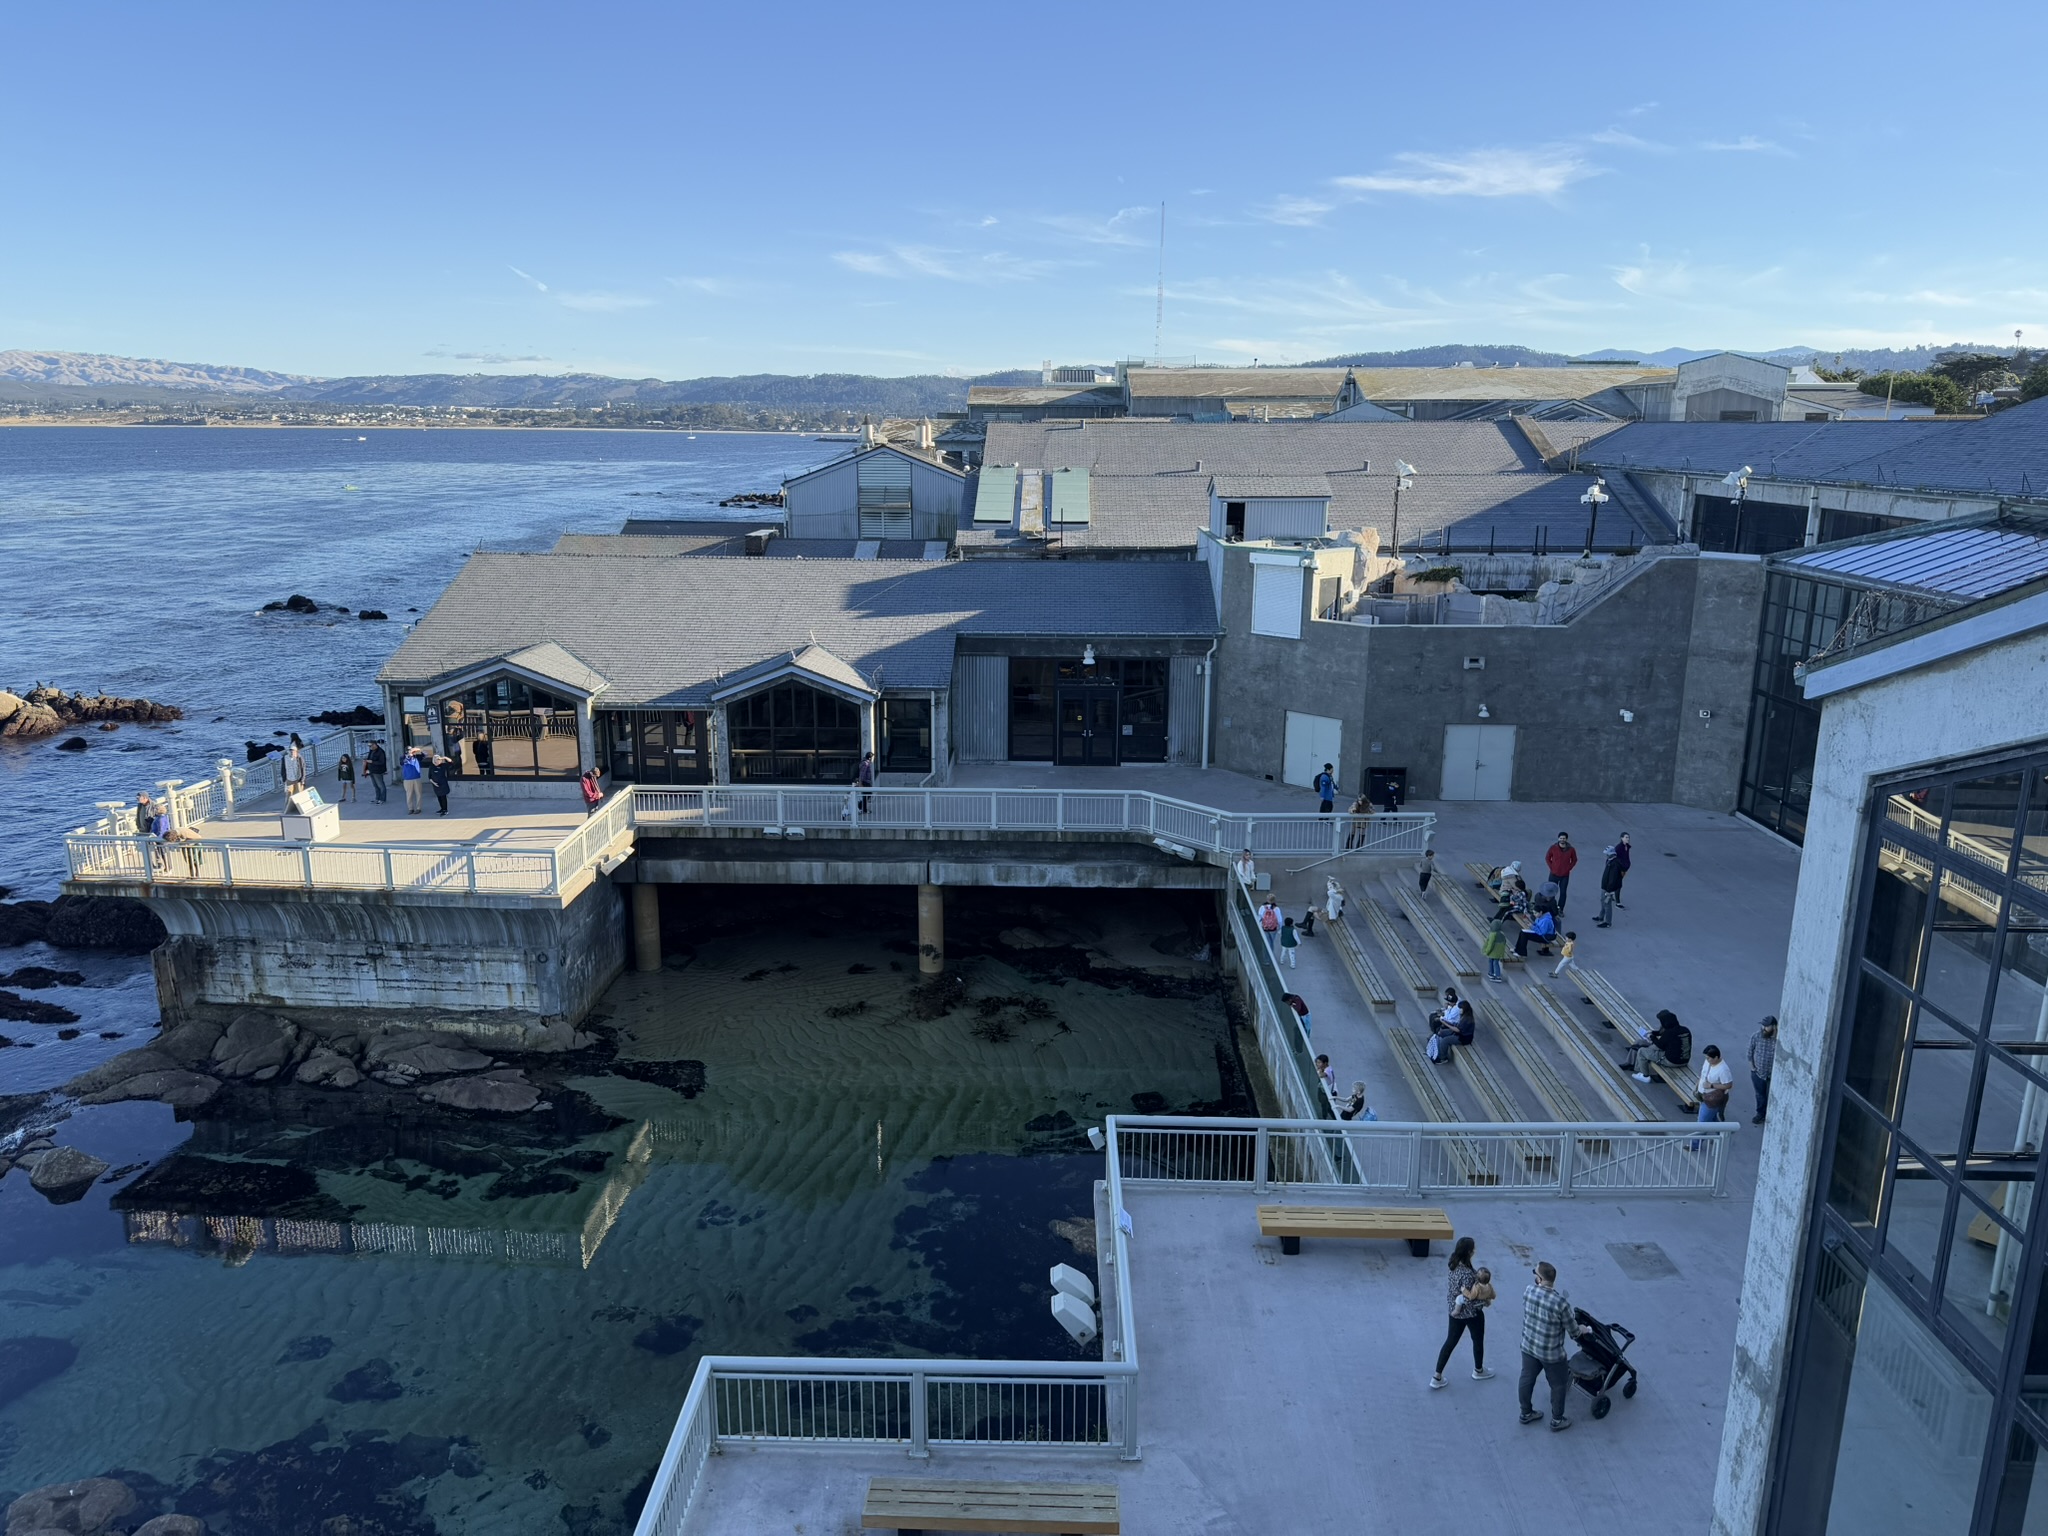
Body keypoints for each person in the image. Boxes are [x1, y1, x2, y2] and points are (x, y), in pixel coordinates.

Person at [1519, 1260, 1584, 1431]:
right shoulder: (1560, 1303)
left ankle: (1526, 1413)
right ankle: (1557, 1420)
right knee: (1558, 1385)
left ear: (1540, 1279)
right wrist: (1582, 1329)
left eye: (1535, 1273)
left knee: (1527, 1379)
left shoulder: (1529, 1291)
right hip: (1551, 1354)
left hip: (1528, 1346)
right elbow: (1574, 1332)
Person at [1431, 1236, 1496, 1389]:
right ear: (1468, 1252)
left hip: (1454, 1311)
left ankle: (1437, 1375)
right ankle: (1478, 1370)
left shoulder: (1453, 1265)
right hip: (1471, 1314)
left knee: (1450, 1342)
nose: (1474, 1251)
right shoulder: (1468, 1274)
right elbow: (1470, 1299)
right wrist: (1485, 1302)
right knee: (1477, 1340)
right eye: (1472, 1249)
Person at [1749, 1016, 1779, 1125]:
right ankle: (1760, 1114)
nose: (1764, 1028)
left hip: (1773, 1075)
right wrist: (1752, 1067)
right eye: (1763, 1025)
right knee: (1760, 1095)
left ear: (1774, 1026)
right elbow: (1750, 1052)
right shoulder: (1756, 1036)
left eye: (1767, 1026)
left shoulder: (1779, 1040)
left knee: (1772, 1095)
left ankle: (1771, 1113)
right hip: (1758, 1073)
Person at [1697, 1043, 1734, 1124]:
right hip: (1702, 1095)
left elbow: (1728, 1085)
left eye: (1708, 1058)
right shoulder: (1708, 1061)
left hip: (1711, 1099)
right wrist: (1697, 1086)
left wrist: (1711, 1085)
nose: (1707, 1060)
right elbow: (1703, 1074)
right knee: (1712, 1120)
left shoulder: (1723, 1070)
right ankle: (1722, 1133)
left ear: (1716, 1057)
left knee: (1701, 1123)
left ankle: (1698, 1137)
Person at [1595, 839, 1628, 928]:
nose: (1605, 855)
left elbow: (1612, 879)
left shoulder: (1614, 864)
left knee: (1607, 904)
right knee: (1603, 902)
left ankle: (1608, 922)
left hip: (1608, 888)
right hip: (1605, 886)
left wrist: (1609, 890)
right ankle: (1601, 917)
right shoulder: (1611, 861)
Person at [1544, 833, 1577, 913]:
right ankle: (1550, 907)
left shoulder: (1571, 849)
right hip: (1553, 874)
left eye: (1564, 838)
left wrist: (1569, 868)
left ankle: (1560, 909)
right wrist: (1552, 867)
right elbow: (1547, 858)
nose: (1562, 840)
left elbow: (1574, 860)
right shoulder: (1553, 848)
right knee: (1551, 891)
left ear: (1566, 839)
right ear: (1558, 839)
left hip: (1564, 876)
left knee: (1563, 893)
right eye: (1561, 838)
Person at [1482, 917, 1509, 982]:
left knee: (1493, 962)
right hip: (1499, 952)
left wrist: (1487, 951)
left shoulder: (1492, 934)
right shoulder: (1502, 934)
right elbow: (1504, 943)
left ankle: (1496, 976)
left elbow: (1490, 944)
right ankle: (1493, 973)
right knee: (1494, 962)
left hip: (1493, 952)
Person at [400, 748, 425, 814]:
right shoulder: (403, 757)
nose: (410, 752)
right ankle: (410, 808)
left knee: (418, 793)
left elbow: (425, 755)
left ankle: (418, 808)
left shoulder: (417, 757)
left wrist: (420, 750)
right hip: (407, 779)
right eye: (409, 751)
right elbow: (402, 762)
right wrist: (409, 756)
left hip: (417, 778)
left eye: (411, 751)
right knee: (409, 794)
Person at [364, 739, 389, 805]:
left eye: (370, 745)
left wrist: (372, 762)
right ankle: (377, 798)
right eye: (368, 746)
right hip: (372, 770)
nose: (369, 747)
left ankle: (382, 799)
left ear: (375, 744)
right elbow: (369, 759)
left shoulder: (381, 752)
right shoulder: (371, 751)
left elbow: (382, 762)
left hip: (378, 771)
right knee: (375, 785)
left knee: (381, 785)